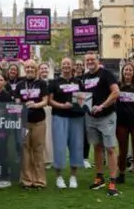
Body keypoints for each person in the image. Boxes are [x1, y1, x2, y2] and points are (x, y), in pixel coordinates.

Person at [81, 52, 120, 196]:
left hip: (107, 116)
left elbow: (116, 92)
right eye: (87, 60)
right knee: (97, 147)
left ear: (98, 60)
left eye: (92, 59)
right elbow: (82, 96)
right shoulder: (84, 77)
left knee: (110, 148)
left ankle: (113, 181)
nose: (90, 61)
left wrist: (102, 106)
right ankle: (99, 177)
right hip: (91, 118)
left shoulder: (106, 74)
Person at [49, 57, 84, 189]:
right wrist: (62, 106)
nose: (66, 66)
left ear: (72, 66)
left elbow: (83, 98)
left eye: (68, 64)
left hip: (76, 117)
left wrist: (80, 103)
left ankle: (73, 176)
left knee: (76, 146)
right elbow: (50, 101)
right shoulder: (54, 82)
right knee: (59, 147)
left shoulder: (78, 81)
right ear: (61, 66)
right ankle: (59, 177)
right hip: (59, 116)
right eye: (64, 64)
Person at [14, 59, 49, 189]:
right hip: (24, 122)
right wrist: (20, 108)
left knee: (38, 150)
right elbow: (17, 102)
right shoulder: (20, 84)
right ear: (25, 69)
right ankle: (27, 180)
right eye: (27, 68)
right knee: (25, 150)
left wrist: (35, 104)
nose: (29, 70)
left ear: (36, 70)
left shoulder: (42, 84)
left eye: (32, 68)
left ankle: (40, 180)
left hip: (39, 120)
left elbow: (45, 101)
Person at [116, 63, 134, 188]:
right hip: (121, 124)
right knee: (122, 151)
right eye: (126, 70)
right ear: (122, 72)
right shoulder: (117, 86)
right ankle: (121, 174)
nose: (128, 72)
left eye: (130, 70)